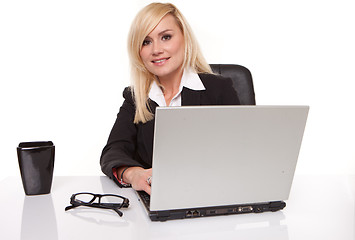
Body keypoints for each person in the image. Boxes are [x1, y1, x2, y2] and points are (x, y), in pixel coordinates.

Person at [100, 2, 240, 195]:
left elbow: (241, 152)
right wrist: (134, 175)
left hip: (214, 195)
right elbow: (113, 151)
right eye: (146, 41)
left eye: (166, 37)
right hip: (159, 197)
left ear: (184, 38)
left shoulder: (219, 89)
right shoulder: (136, 98)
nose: (156, 49)